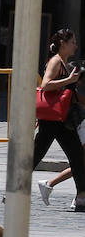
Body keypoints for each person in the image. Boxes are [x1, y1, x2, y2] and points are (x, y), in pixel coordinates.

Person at [34, 29, 84, 209]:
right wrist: (69, 79)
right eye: (73, 42)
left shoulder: (64, 62)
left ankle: (81, 197)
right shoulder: (56, 61)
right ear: (63, 43)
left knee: (78, 156)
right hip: (51, 120)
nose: (75, 46)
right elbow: (45, 85)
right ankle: (13, 191)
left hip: (61, 119)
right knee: (34, 156)